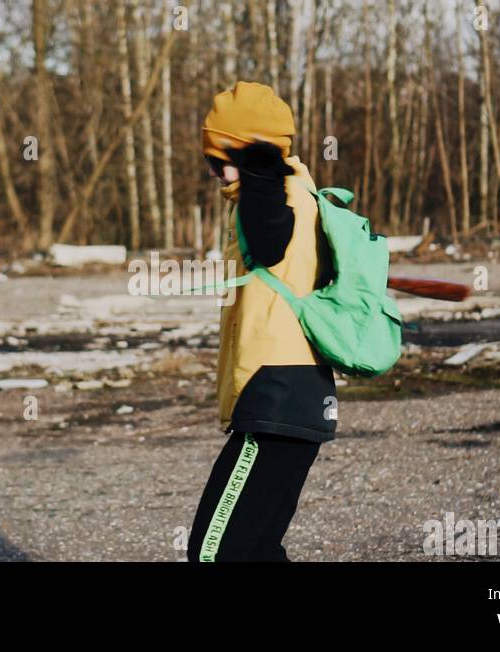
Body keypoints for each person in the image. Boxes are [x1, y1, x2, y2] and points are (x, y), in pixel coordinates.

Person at [188, 81, 336, 562]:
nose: (213, 174)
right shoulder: (294, 192)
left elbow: (270, 241)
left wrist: (257, 169)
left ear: (246, 153)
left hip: (276, 396)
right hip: (290, 397)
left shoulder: (273, 192)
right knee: (254, 551)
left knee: (215, 553)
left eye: (216, 160)